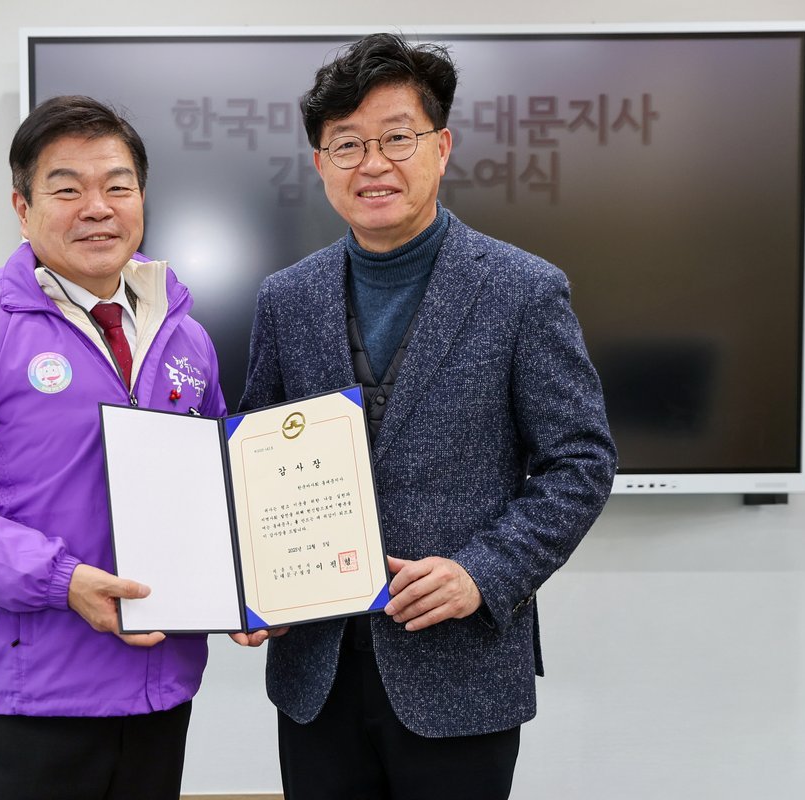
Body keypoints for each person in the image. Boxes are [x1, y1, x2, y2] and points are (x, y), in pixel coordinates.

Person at [234, 33, 618, 799]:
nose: (372, 163)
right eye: (347, 144)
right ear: (320, 164)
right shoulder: (286, 299)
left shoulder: (523, 290)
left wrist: (483, 571)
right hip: (316, 674)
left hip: (459, 670)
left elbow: (581, 461)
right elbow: (254, 455)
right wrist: (249, 580)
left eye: (397, 138)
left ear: (441, 148)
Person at [0, 95, 225, 800]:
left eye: (118, 186)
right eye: (67, 189)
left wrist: (250, 587)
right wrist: (62, 581)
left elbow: (216, 487)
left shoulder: (185, 336)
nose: (97, 208)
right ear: (22, 207)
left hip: (160, 695)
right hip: (30, 707)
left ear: (141, 199)